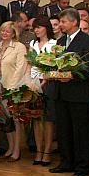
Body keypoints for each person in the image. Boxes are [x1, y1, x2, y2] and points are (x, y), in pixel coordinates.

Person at [49, 9, 89, 176]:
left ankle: (82, 166)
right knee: (64, 130)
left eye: (63, 22)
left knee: (80, 132)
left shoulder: (88, 41)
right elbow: (54, 64)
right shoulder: (61, 41)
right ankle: (66, 162)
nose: (60, 25)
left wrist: (71, 76)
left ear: (74, 22)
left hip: (79, 94)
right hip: (61, 94)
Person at [0, 22, 28, 161]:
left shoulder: (19, 47)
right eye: (2, 31)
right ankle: (10, 146)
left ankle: (17, 150)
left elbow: (21, 68)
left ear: (14, 33)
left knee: (16, 120)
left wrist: (12, 88)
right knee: (5, 120)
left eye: (8, 31)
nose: (4, 33)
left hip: (13, 87)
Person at [28, 16, 58, 166]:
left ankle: (47, 152)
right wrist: (29, 83)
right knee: (36, 119)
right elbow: (29, 64)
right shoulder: (33, 43)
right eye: (35, 28)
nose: (37, 30)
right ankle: (38, 151)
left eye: (39, 27)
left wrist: (44, 82)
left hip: (49, 84)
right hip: (34, 84)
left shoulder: (54, 43)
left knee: (48, 120)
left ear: (46, 27)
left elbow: (54, 66)